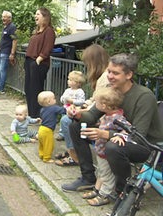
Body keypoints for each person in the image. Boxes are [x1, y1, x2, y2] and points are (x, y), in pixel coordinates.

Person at [62, 53, 162, 194]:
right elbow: (92, 115)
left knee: (113, 147)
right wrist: (77, 114)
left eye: (115, 73)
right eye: (109, 71)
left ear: (128, 75)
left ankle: (124, 190)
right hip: (119, 136)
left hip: (146, 145)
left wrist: (105, 134)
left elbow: (139, 135)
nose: (109, 76)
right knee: (75, 126)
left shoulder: (144, 96)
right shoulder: (112, 89)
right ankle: (88, 177)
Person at [55, 44, 110, 166]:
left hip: (101, 116)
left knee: (66, 121)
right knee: (69, 120)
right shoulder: (102, 76)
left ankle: (75, 155)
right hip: (96, 110)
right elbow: (95, 98)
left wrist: (81, 109)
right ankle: (73, 151)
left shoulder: (105, 77)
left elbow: (100, 102)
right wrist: (84, 105)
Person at [81, 87, 131, 206]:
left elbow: (128, 129)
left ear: (104, 105)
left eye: (96, 103)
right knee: (102, 172)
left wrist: (119, 136)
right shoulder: (106, 115)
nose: (95, 105)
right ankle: (97, 190)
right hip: (101, 150)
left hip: (106, 152)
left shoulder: (117, 117)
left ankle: (104, 195)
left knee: (107, 175)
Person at [24, 7, 56, 118]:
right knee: (28, 88)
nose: (35, 16)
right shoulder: (37, 32)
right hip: (29, 62)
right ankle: (31, 113)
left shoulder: (49, 31)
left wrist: (39, 59)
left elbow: (48, 47)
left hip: (38, 63)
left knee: (35, 89)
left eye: (38, 14)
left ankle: (37, 114)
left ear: (45, 17)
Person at [55, 71, 86, 167]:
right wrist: (64, 99)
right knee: (63, 119)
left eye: (70, 80)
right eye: (68, 79)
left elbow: (82, 101)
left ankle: (73, 153)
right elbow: (62, 98)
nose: (68, 81)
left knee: (66, 121)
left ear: (77, 83)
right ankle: (63, 136)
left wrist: (72, 101)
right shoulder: (67, 90)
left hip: (75, 110)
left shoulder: (80, 92)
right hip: (66, 108)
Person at [37, 91, 66, 163]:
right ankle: (46, 158)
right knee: (49, 145)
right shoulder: (54, 108)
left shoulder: (42, 109)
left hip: (41, 128)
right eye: (54, 98)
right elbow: (63, 111)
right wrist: (67, 106)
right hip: (48, 130)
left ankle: (41, 154)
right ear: (49, 102)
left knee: (42, 144)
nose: (55, 99)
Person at [0, 11, 17, 94]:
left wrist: (12, 53)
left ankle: (1, 88)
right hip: (0, 51)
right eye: (2, 17)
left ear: (9, 18)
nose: (3, 18)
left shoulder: (12, 27)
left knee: (2, 70)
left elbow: (14, 40)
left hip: (6, 52)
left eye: (5, 17)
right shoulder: (5, 27)